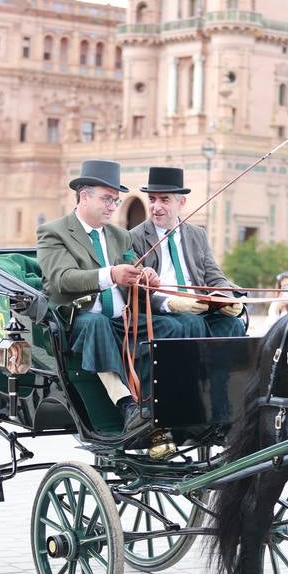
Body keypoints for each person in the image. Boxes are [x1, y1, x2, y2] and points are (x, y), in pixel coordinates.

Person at [37, 159, 186, 433]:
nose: (111, 207)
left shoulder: (120, 236)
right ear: (84, 196)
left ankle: (164, 400)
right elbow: (61, 280)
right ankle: (127, 404)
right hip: (79, 320)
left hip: (122, 319)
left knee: (173, 325)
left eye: (115, 201)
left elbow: (131, 273)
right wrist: (110, 275)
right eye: (107, 199)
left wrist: (145, 278)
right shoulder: (54, 232)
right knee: (97, 324)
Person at [130, 167, 245, 338]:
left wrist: (228, 298)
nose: (156, 207)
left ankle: (228, 366)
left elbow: (214, 276)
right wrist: (170, 303)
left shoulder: (198, 234)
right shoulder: (134, 237)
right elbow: (134, 289)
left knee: (233, 324)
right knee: (192, 322)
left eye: (164, 200)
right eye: (152, 199)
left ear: (181, 202)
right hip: (162, 314)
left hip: (199, 308)